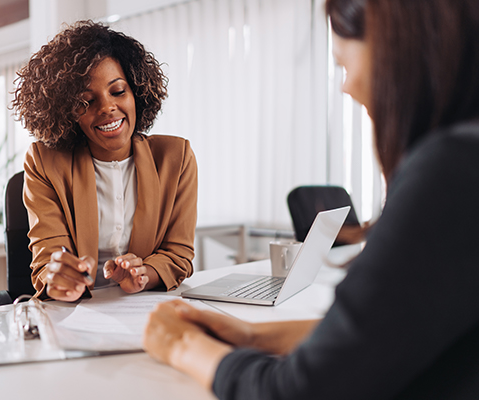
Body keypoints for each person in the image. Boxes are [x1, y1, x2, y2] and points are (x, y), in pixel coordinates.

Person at [143, 0, 479, 398]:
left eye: (342, 64)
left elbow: (303, 391)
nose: (346, 85)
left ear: (398, 50)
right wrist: (252, 334)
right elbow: (388, 335)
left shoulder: (452, 169)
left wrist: (181, 345)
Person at [11, 21, 197, 302]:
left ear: (136, 92)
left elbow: (178, 254)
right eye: (86, 101)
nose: (107, 108)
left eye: (118, 91)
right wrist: (59, 278)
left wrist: (144, 275)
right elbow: (48, 258)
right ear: (67, 113)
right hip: (74, 315)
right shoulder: (44, 162)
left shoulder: (176, 157)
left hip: (144, 310)